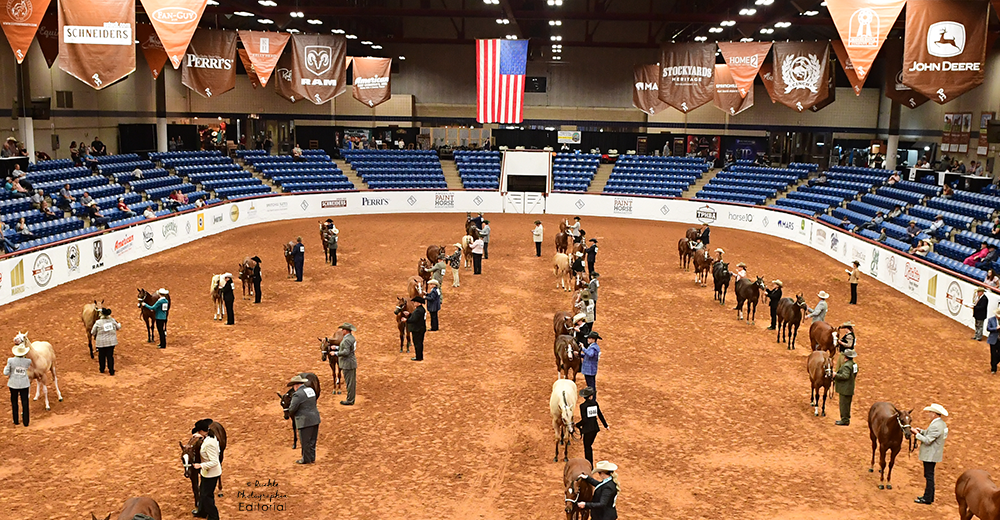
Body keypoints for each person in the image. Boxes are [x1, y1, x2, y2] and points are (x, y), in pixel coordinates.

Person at [913, 404, 949, 505]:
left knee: (929, 476)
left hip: (930, 455)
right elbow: (931, 435)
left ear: (934, 414)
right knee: (929, 475)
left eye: (930, 412)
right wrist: (922, 431)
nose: (929, 414)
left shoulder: (936, 426)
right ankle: (929, 496)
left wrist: (917, 434)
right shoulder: (941, 424)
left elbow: (928, 440)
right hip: (934, 454)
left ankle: (927, 498)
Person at [190, 418, 221, 519]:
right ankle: (202, 512)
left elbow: (215, 461)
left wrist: (200, 465)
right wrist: (201, 437)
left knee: (207, 497)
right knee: (203, 494)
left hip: (211, 474)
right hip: (206, 473)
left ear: (202, 431)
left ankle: (214, 517)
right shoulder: (210, 437)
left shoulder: (210, 443)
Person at [286, 375, 320, 464]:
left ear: (296, 385)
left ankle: (306, 459)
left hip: (304, 421)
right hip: (315, 418)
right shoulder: (311, 390)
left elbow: (292, 408)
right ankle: (312, 457)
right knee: (312, 440)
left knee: (305, 441)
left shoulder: (297, 395)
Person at [575, 387, 609, 465]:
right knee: (589, 445)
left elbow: (585, 420)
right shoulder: (595, 403)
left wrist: (577, 425)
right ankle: (590, 464)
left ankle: (589, 464)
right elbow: (600, 415)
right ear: (590, 396)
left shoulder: (582, 406)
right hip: (595, 428)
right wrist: (605, 425)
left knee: (587, 447)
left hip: (587, 430)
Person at [4, 342, 31, 426]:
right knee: (25, 402)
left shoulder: (10, 360)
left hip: (13, 384)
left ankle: (16, 420)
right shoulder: (28, 361)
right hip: (24, 384)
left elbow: (5, 372)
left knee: (14, 402)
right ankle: (26, 422)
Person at [90, 308, 120, 375]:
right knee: (110, 356)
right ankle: (111, 370)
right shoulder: (112, 320)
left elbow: (93, 332)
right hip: (111, 342)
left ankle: (102, 369)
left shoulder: (98, 322)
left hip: (101, 343)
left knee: (101, 356)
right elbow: (118, 327)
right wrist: (119, 324)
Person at [833, 349, 858, 426]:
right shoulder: (854, 364)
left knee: (843, 404)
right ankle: (846, 417)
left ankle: (844, 420)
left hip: (845, 388)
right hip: (850, 387)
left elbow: (845, 376)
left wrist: (835, 375)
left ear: (846, 357)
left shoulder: (846, 366)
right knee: (847, 404)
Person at [334, 323, 357, 405]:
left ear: (346, 330)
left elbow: (346, 352)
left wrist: (336, 353)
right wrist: (336, 348)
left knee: (350, 383)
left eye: (343, 329)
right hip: (350, 363)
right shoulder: (350, 338)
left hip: (348, 363)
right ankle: (350, 398)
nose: (342, 330)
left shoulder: (347, 339)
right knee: (350, 382)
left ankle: (350, 400)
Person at [406, 296, 427, 361]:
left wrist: (406, 320)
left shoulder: (418, 310)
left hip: (417, 329)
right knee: (419, 343)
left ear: (419, 303)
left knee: (417, 343)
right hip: (420, 328)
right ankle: (419, 356)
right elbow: (415, 317)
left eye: (415, 302)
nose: (414, 303)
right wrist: (409, 314)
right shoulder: (421, 309)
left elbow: (414, 319)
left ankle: (418, 357)